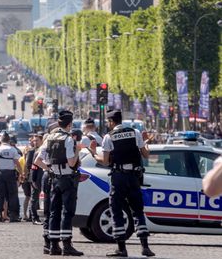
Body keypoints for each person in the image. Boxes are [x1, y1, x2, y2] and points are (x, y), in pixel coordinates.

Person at [90, 110, 155, 257]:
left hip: (118, 177)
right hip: (134, 177)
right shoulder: (135, 133)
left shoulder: (109, 136)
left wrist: (94, 153)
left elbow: (106, 161)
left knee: (117, 210)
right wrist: (146, 142)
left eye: (108, 122)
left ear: (112, 122)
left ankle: (121, 248)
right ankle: (145, 247)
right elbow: (145, 155)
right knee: (138, 210)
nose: (108, 124)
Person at [34, 110, 84, 256]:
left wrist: (49, 169)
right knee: (67, 212)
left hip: (54, 178)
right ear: (69, 125)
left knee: (54, 212)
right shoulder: (69, 139)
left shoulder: (49, 138)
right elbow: (71, 162)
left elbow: (37, 161)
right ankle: (67, 245)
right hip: (67, 178)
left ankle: (54, 245)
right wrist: (77, 152)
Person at [0, 132, 22, 222]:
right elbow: (17, 163)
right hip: (10, 174)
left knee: (1, 195)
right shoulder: (13, 150)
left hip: (0, 174)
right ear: (9, 140)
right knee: (12, 195)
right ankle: (13, 215)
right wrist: (21, 173)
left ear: (1, 140)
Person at [28, 132, 44, 225]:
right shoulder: (32, 151)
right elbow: (30, 165)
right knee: (34, 198)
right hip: (36, 177)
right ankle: (34, 217)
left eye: (37, 140)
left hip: (43, 177)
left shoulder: (44, 149)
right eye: (34, 141)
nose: (35, 142)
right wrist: (32, 179)